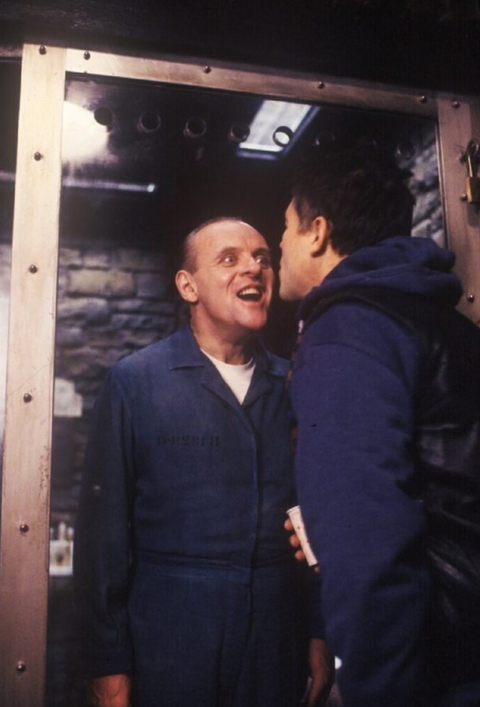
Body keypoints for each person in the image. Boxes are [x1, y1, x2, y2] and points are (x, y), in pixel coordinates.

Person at [74, 217, 331, 707]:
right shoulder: (136, 382)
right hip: (168, 644)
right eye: (230, 259)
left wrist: (319, 633)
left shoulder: (296, 384)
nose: (253, 269)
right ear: (188, 286)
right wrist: (107, 664)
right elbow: (100, 542)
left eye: (262, 258)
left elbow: (315, 523)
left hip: (275, 645)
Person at [279, 146, 480, 707]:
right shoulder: (446, 325)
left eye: (285, 227)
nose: (280, 245)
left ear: (318, 233)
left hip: (433, 672)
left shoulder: (347, 331)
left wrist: (376, 689)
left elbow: (369, 541)